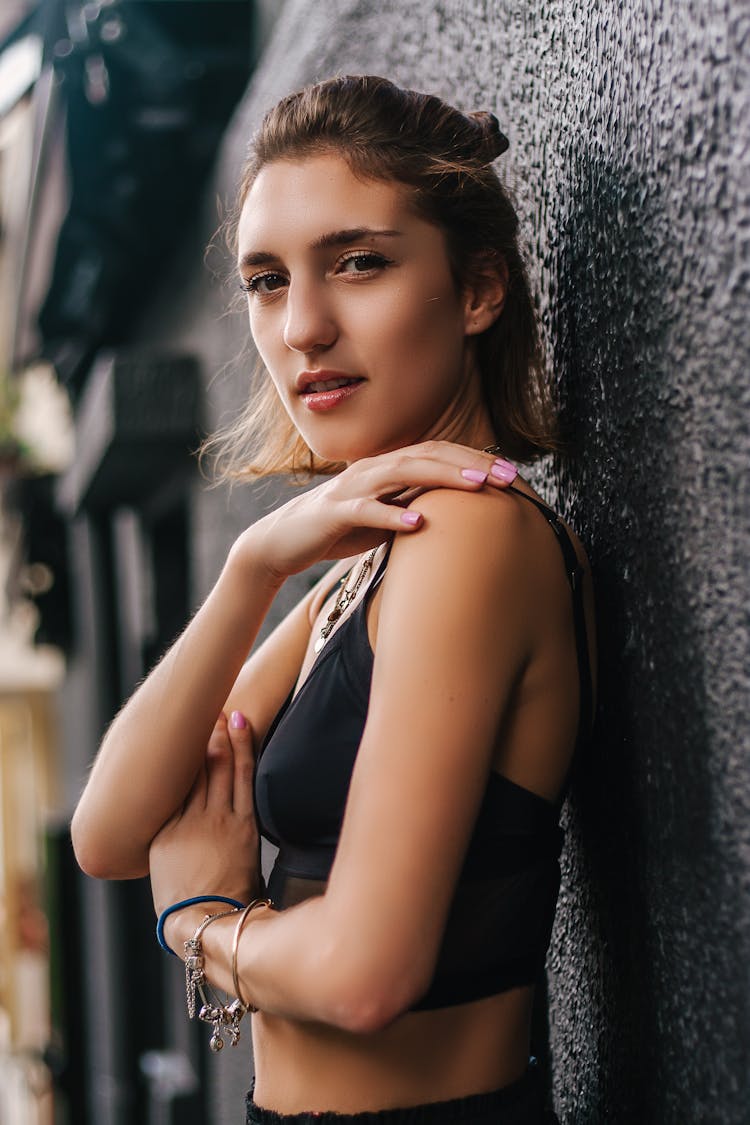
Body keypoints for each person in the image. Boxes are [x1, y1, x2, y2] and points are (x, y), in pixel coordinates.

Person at [71, 75, 595, 1125]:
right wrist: (253, 567)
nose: (303, 326)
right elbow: (111, 831)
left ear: (479, 290)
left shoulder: (471, 537)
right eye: (267, 281)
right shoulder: (361, 568)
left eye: (359, 263)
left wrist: (203, 925)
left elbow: (365, 975)